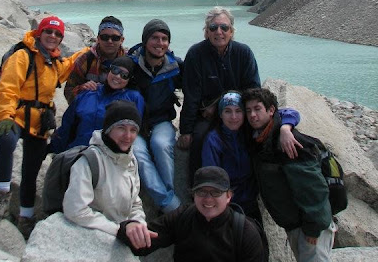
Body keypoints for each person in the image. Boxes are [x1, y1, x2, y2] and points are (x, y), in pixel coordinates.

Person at [0, 16, 86, 239]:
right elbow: (8, 87)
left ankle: (26, 217)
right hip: (16, 116)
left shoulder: (54, 63)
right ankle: (1, 194)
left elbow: (69, 64)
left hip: (39, 121)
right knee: (6, 140)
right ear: (39, 34)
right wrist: (5, 116)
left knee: (30, 171)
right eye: (48, 32)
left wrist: (91, 48)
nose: (53, 37)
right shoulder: (22, 56)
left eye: (57, 34)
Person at [242, 87, 336, 262]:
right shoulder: (263, 137)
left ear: (271, 111)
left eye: (257, 109)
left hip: (310, 226)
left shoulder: (288, 143)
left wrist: (313, 228)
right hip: (296, 223)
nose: (252, 115)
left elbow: (313, 189)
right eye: (248, 111)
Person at [118, 166, 265, 261]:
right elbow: (144, 243)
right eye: (201, 192)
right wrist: (129, 227)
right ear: (193, 195)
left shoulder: (245, 232)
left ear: (228, 196)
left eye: (215, 192)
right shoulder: (184, 216)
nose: (208, 199)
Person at [178, 6, 260, 176]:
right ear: (207, 32)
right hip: (205, 114)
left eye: (224, 27)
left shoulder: (243, 53)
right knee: (199, 139)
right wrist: (186, 130)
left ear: (232, 31)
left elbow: (253, 89)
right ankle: (198, 189)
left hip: (238, 111)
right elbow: (191, 94)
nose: (219, 32)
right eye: (213, 28)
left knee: (254, 139)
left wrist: (220, 104)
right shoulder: (196, 54)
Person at [202, 90, 302, 223]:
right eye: (227, 111)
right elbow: (211, 177)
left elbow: (288, 113)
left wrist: (285, 128)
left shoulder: (250, 131)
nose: (233, 117)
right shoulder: (213, 140)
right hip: (227, 205)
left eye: (238, 111)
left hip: (251, 201)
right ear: (220, 114)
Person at [63, 100, 150, 245]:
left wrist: (137, 224)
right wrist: (119, 230)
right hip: (89, 242)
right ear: (109, 129)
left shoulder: (130, 160)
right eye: (121, 128)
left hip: (121, 238)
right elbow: (75, 210)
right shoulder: (89, 161)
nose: (128, 136)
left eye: (133, 130)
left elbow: (135, 203)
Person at [128, 18, 183, 213]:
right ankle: (170, 204)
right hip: (134, 124)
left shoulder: (176, 66)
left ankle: (167, 197)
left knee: (161, 145)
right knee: (139, 154)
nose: (160, 43)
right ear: (145, 40)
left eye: (164, 39)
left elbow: (195, 89)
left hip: (161, 121)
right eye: (155, 38)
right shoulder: (131, 64)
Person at [49, 56, 145, 153]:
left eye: (124, 75)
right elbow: (67, 125)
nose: (118, 76)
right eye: (115, 70)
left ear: (130, 79)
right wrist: (54, 150)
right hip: (77, 152)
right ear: (109, 70)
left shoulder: (133, 98)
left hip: (109, 157)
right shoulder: (89, 92)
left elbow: (134, 131)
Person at [64, 15, 126, 103]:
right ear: (98, 39)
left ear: (122, 40)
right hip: (91, 113)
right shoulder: (85, 60)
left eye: (115, 38)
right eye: (105, 37)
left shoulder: (129, 61)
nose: (110, 41)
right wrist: (82, 89)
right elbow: (68, 91)